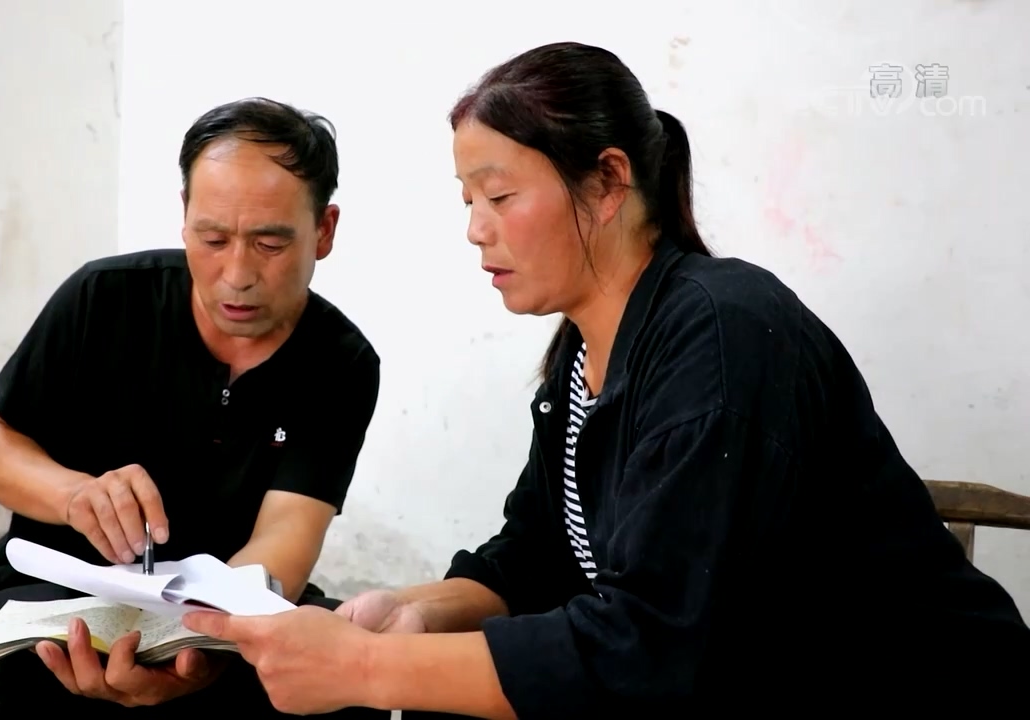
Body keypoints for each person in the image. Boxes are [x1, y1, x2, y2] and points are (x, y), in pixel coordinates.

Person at [180, 41, 1030, 717]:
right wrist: (412, 613)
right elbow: (535, 556)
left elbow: (650, 645)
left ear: (609, 182)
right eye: (467, 200)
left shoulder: (721, 334)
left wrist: (369, 669)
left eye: (500, 196)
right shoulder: (584, 358)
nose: (475, 230)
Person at [0, 97, 388, 719]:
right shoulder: (104, 299)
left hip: (223, 615)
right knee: (28, 681)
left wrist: (199, 643)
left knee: (350, 683)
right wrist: (75, 495)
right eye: (213, 238)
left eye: (269, 243)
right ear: (184, 217)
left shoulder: (338, 363)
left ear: (325, 230)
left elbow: (286, 535)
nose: (237, 274)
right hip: (55, 595)